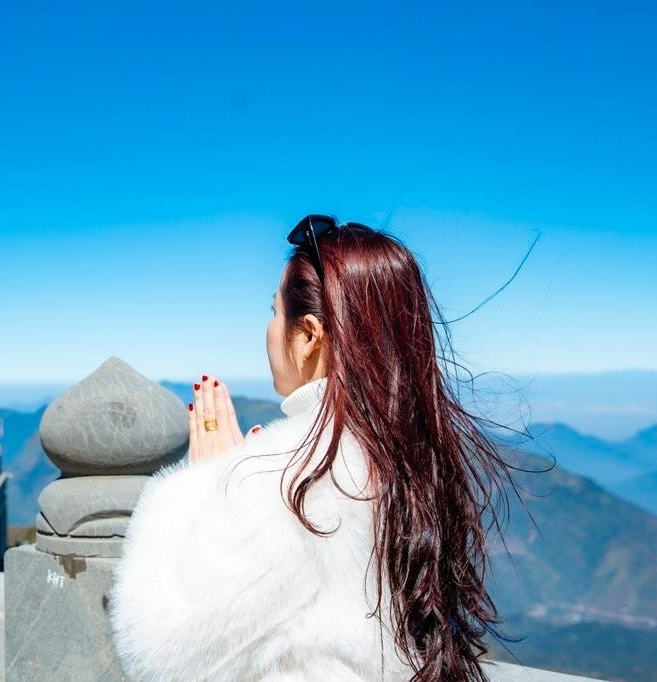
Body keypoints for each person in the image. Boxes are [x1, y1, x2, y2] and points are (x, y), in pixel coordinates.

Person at [109, 215, 513, 682]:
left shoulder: (285, 481)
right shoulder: (413, 456)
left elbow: (160, 654)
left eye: (274, 311)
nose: (268, 329)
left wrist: (206, 484)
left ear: (307, 335)